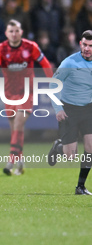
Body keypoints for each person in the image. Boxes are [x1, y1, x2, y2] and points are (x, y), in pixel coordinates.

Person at [0, 19, 53, 176]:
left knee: (18, 124)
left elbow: (46, 64)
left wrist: (52, 84)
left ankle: (10, 162)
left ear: (21, 32)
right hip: (9, 94)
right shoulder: (1, 48)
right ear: (6, 33)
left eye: (16, 31)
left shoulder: (31, 47)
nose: (14, 34)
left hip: (27, 93)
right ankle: (21, 162)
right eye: (11, 31)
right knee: (16, 130)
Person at [47, 30, 92, 195]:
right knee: (70, 155)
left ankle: (80, 187)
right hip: (69, 109)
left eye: (90, 46)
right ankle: (59, 147)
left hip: (88, 108)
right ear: (80, 43)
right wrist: (58, 108)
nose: (87, 48)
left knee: (90, 146)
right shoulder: (69, 63)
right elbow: (53, 85)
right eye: (84, 45)